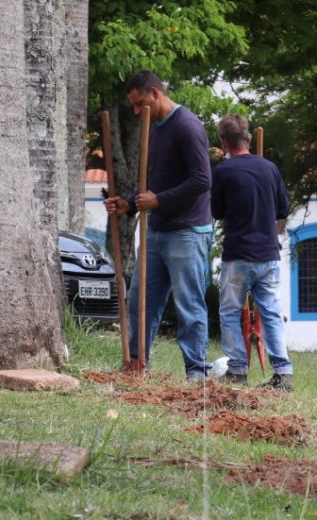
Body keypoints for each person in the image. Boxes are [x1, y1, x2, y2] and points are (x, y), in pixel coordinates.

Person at [104, 70, 213, 381]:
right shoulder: (154, 129)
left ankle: (197, 373)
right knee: (140, 302)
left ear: (154, 93)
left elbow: (202, 181)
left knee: (189, 305)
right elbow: (152, 184)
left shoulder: (188, 127)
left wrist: (159, 200)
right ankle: (136, 365)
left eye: (139, 104)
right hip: (157, 231)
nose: (137, 112)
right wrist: (128, 203)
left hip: (187, 232)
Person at [211, 114, 294, 391]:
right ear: (247, 137)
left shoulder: (223, 172)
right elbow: (283, 209)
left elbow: (216, 212)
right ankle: (283, 372)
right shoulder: (270, 168)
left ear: (224, 142)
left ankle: (237, 370)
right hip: (268, 254)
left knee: (230, 312)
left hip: (238, 255)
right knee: (270, 312)